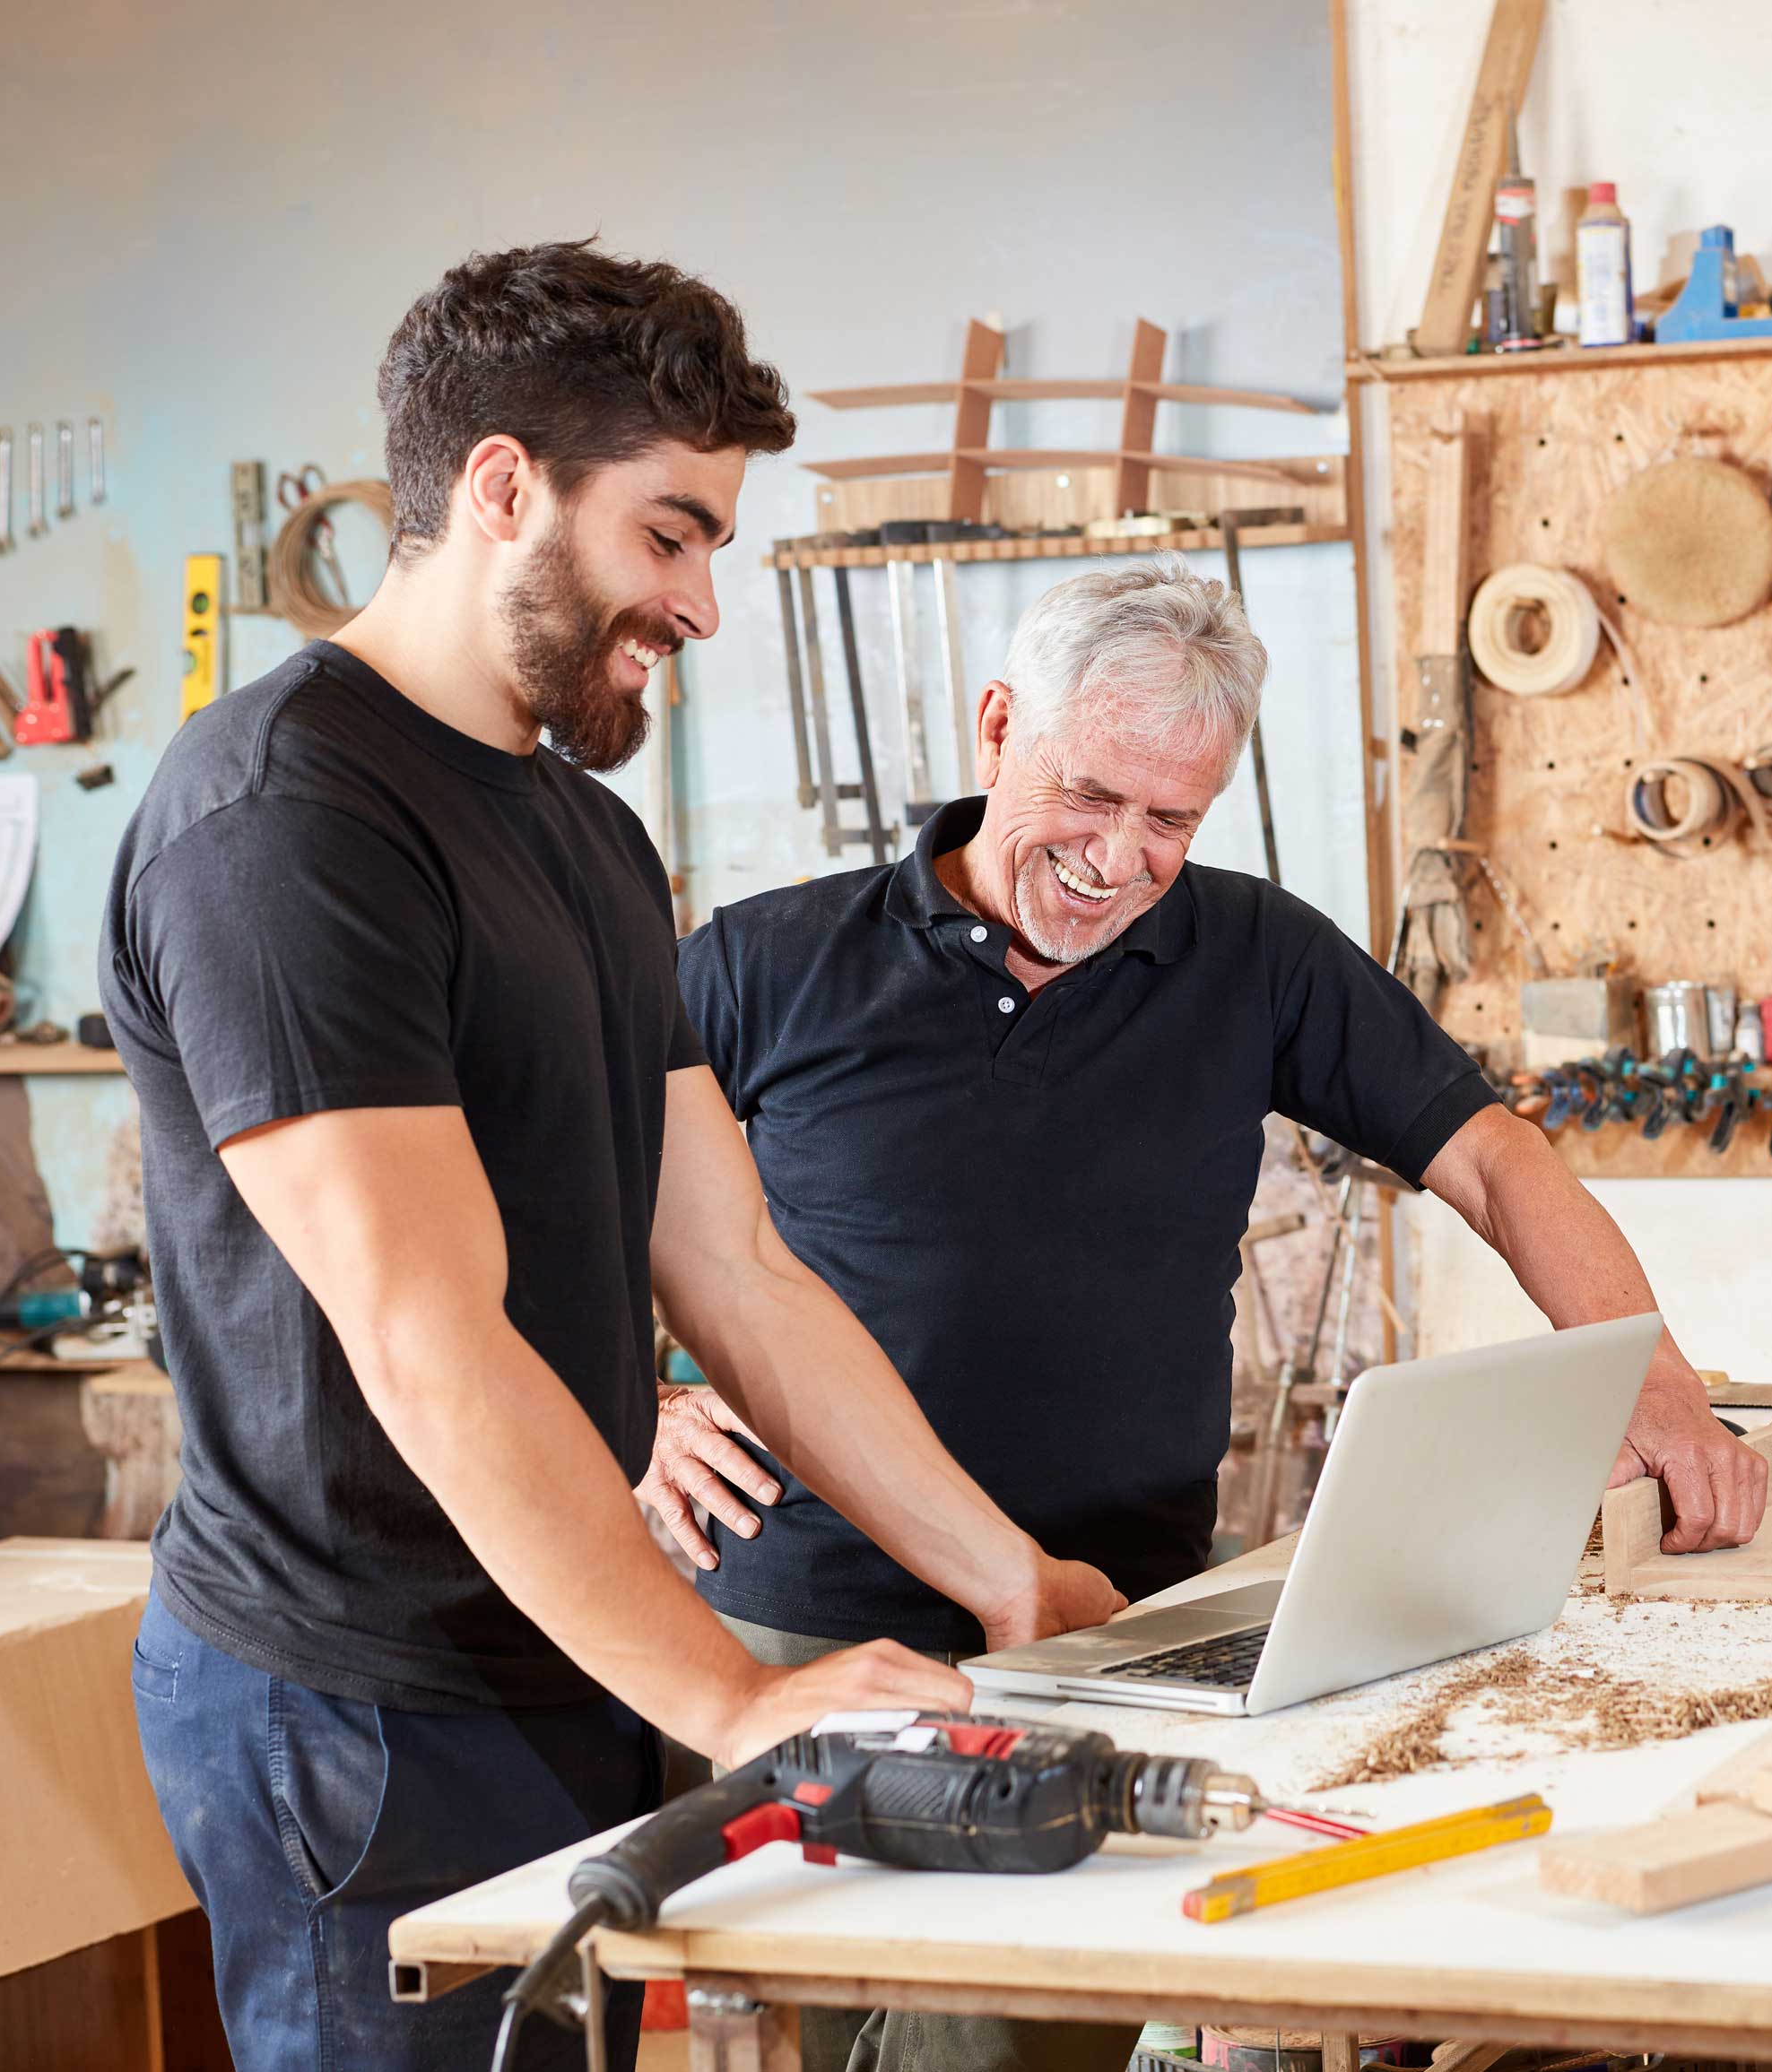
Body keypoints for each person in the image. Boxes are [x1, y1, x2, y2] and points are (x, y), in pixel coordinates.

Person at [98, 241, 1123, 2072]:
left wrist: (1006, 1575)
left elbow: (737, 1268)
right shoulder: (285, 823)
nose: (702, 604)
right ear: (503, 486)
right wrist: (732, 1695)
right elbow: (427, 1332)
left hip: (561, 1652)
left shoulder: (584, 838)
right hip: (354, 1701)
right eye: (669, 535)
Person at [638, 560, 1769, 2072]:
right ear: (997, 727)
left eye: (1171, 820)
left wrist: (1656, 1381)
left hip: (1117, 1613)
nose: (1118, 860)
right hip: (812, 1601)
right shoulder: (760, 963)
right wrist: (633, 1412)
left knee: (1016, 2047)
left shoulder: (1255, 954)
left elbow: (1493, 1159)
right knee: (827, 2011)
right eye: (1089, 795)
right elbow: (551, 1203)